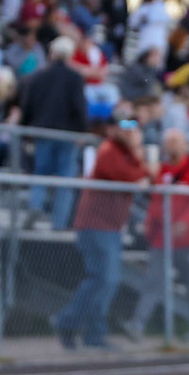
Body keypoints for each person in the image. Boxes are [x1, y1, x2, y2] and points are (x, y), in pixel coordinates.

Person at [55, 105, 149, 348]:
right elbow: (133, 176)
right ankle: (68, 322)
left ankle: (92, 333)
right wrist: (138, 152)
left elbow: (149, 177)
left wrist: (138, 158)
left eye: (134, 127)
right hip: (95, 225)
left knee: (106, 280)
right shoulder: (109, 151)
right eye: (126, 126)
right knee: (105, 279)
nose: (131, 131)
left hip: (111, 227)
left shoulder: (124, 151)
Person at [123, 127, 189, 341]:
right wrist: (149, 221)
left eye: (174, 141)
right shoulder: (163, 171)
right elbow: (156, 201)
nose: (170, 145)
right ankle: (137, 324)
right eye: (168, 141)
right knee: (153, 281)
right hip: (162, 239)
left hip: (188, 241)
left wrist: (184, 222)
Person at [9, 34, 89, 229]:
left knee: (41, 174)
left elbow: (27, 106)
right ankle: (58, 224)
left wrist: (26, 131)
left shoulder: (39, 77)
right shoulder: (75, 79)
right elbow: (79, 107)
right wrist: (82, 131)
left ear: (52, 53)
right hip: (67, 136)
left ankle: (35, 208)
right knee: (64, 179)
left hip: (43, 133)